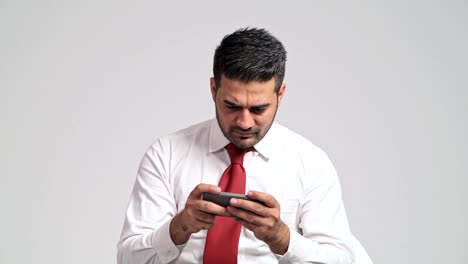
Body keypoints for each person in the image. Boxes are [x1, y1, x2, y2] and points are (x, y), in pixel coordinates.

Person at [117, 28, 372, 263]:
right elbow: (128, 259)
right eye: (232, 106)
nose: (245, 122)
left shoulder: (310, 163)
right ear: (213, 89)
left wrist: (282, 238)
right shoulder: (167, 154)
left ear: (280, 95)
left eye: (259, 109)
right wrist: (180, 227)